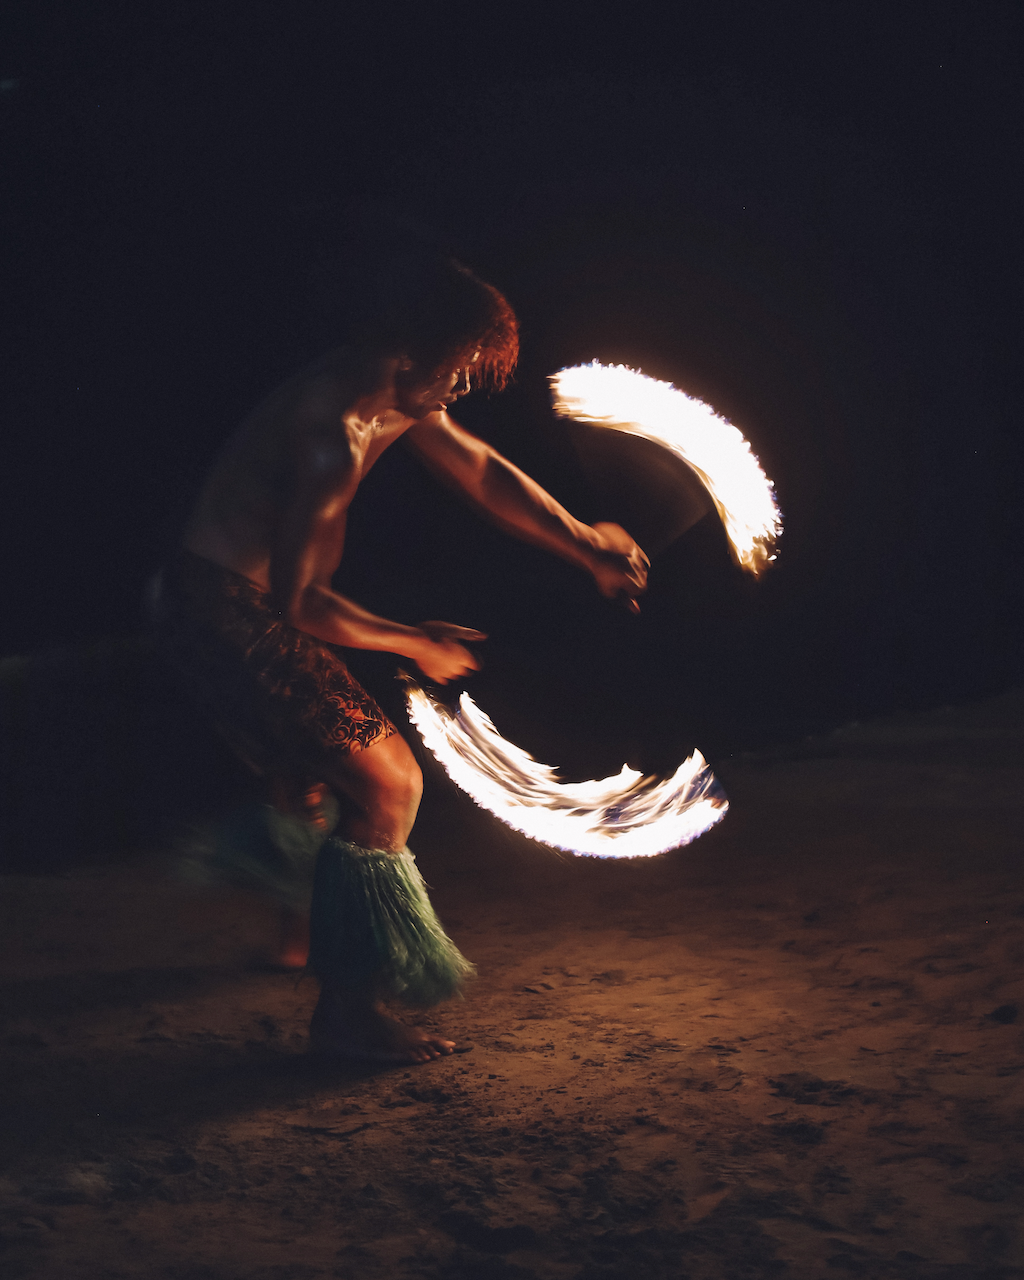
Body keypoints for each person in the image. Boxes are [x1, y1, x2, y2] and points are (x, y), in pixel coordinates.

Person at [151, 248, 648, 1064]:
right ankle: (348, 1016)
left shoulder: (394, 390)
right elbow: (303, 605)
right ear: (412, 349)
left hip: (211, 595)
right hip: (219, 612)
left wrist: (586, 544)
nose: (462, 388)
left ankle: (298, 937)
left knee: (312, 762)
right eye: (458, 369)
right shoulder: (333, 430)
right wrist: (419, 642)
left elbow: (483, 472)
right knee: (389, 780)